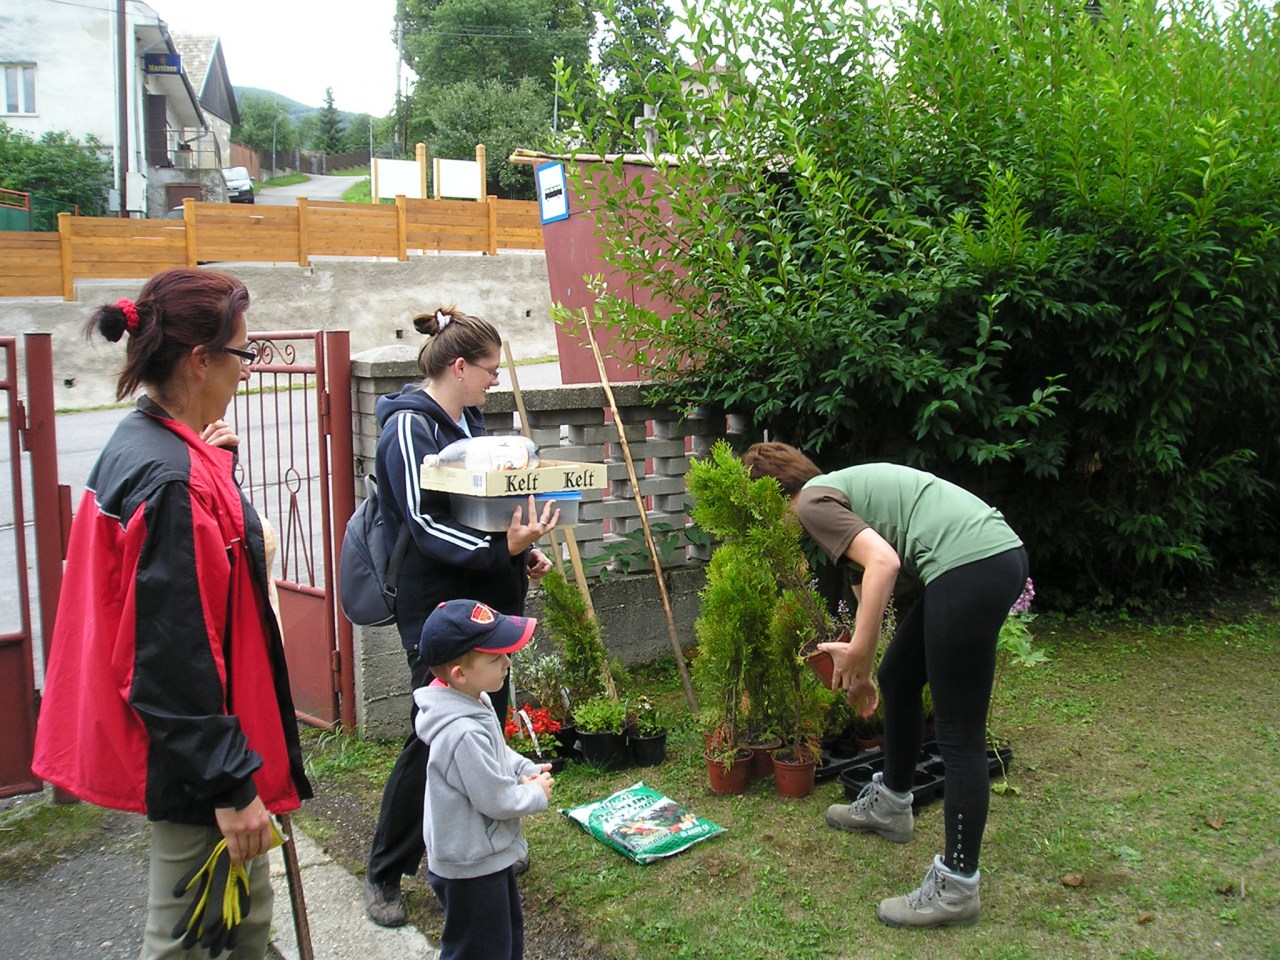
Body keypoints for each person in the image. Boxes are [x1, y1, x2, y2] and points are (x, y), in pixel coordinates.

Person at [31, 268, 312, 959]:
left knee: (238, 927)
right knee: (196, 937)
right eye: (243, 353)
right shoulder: (172, 481)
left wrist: (218, 471)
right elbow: (171, 651)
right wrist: (229, 784)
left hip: (197, 756)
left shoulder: (153, 444)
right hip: (194, 772)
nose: (247, 369)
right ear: (200, 361)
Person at [743, 442, 1029, 929]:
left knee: (959, 735)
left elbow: (885, 564)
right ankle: (893, 805)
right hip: (988, 557)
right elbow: (867, 583)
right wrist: (865, 672)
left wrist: (859, 651)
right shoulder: (837, 496)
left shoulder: (812, 503)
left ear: (770, 495)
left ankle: (957, 887)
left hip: (970, 563)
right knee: (898, 677)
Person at [363, 306, 556, 926]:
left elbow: (483, 507)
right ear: (459, 365)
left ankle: (484, 843)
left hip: (486, 590)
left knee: (486, 718)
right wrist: (501, 551)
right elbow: (423, 524)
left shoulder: (468, 420)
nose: (496, 381)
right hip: (437, 605)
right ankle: (386, 871)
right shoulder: (407, 428)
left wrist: (519, 554)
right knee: (435, 735)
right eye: (491, 370)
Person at [414, 599, 554, 960]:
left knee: (504, 938)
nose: (508, 662)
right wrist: (535, 794)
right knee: (479, 949)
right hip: (470, 865)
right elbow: (495, 799)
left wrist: (521, 768)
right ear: (460, 673)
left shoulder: (473, 701)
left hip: (483, 853)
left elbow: (497, 754)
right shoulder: (461, 732)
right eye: (496, 658)